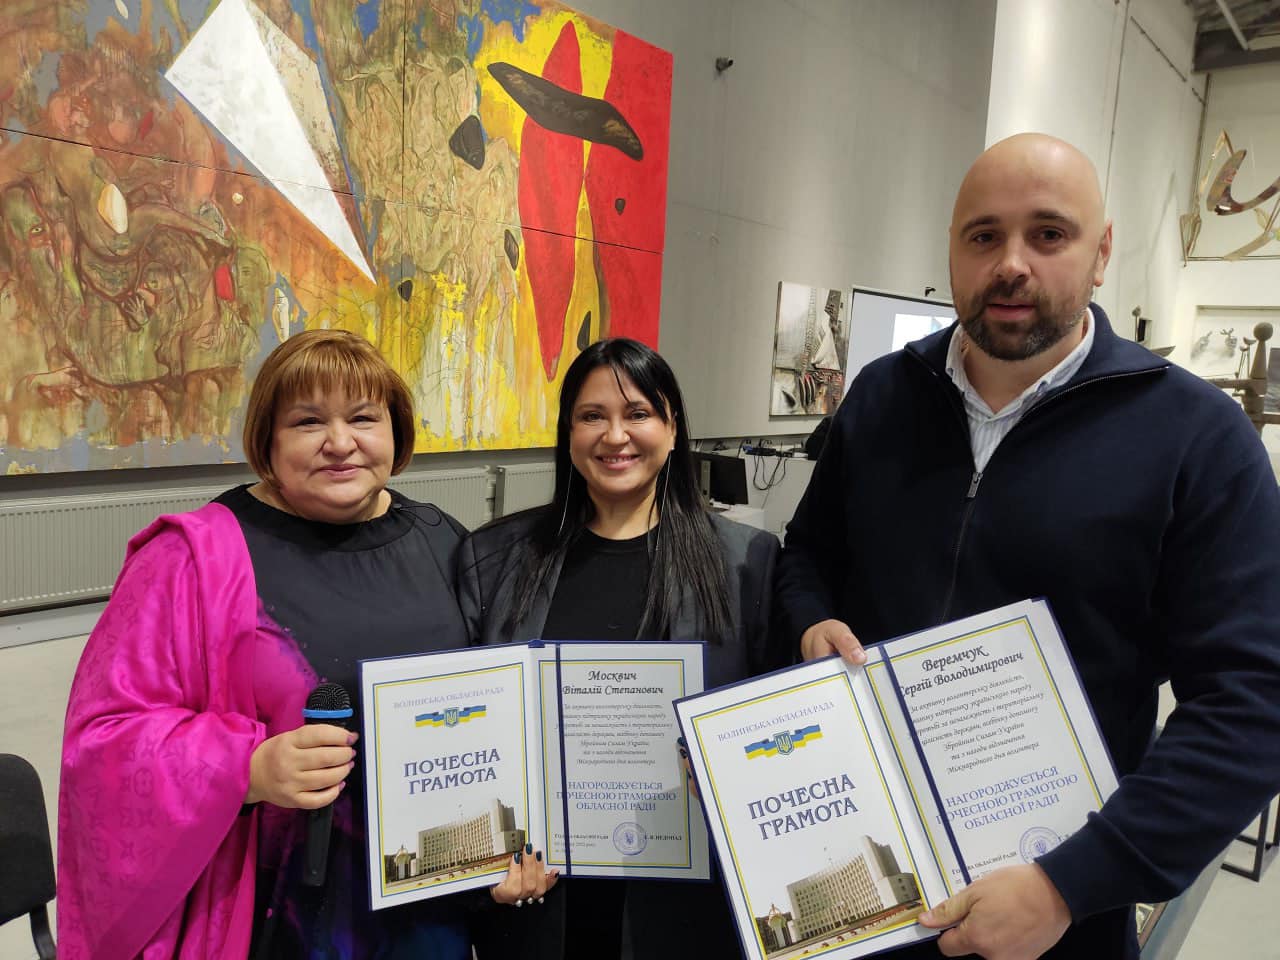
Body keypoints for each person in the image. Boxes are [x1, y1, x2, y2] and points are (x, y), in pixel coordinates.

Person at [776, 132, 1280, 959]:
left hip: (1050, 921)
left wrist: (1070, 883)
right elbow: (806, 554)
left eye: (1049, 234)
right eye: (984, 236)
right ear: (952, 248)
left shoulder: (1198, 438)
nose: (1011, 264)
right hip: (865, 887)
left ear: (1102, 252)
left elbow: (1253, 701)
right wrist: (809, 622)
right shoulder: (881, 396)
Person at [57, 329, 553, 960]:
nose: (340, 443)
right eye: (308, 421)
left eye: (364, 418)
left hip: (429, 907)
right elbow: (102, 742)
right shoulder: (192, 560)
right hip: (281, 910)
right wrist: (246, 769)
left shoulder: (443, 541)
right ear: (268, 440)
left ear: (396, 432)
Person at [456, 337, 788, 959]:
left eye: (638, 413)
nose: (615, 436)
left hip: (683, 902)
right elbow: (473, 735)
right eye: (592, 416)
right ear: (568, 432)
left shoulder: (746, 562)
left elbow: (771, 723)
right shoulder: (495, 558)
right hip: (540, 899)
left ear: (672, 427)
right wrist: (483, 864)